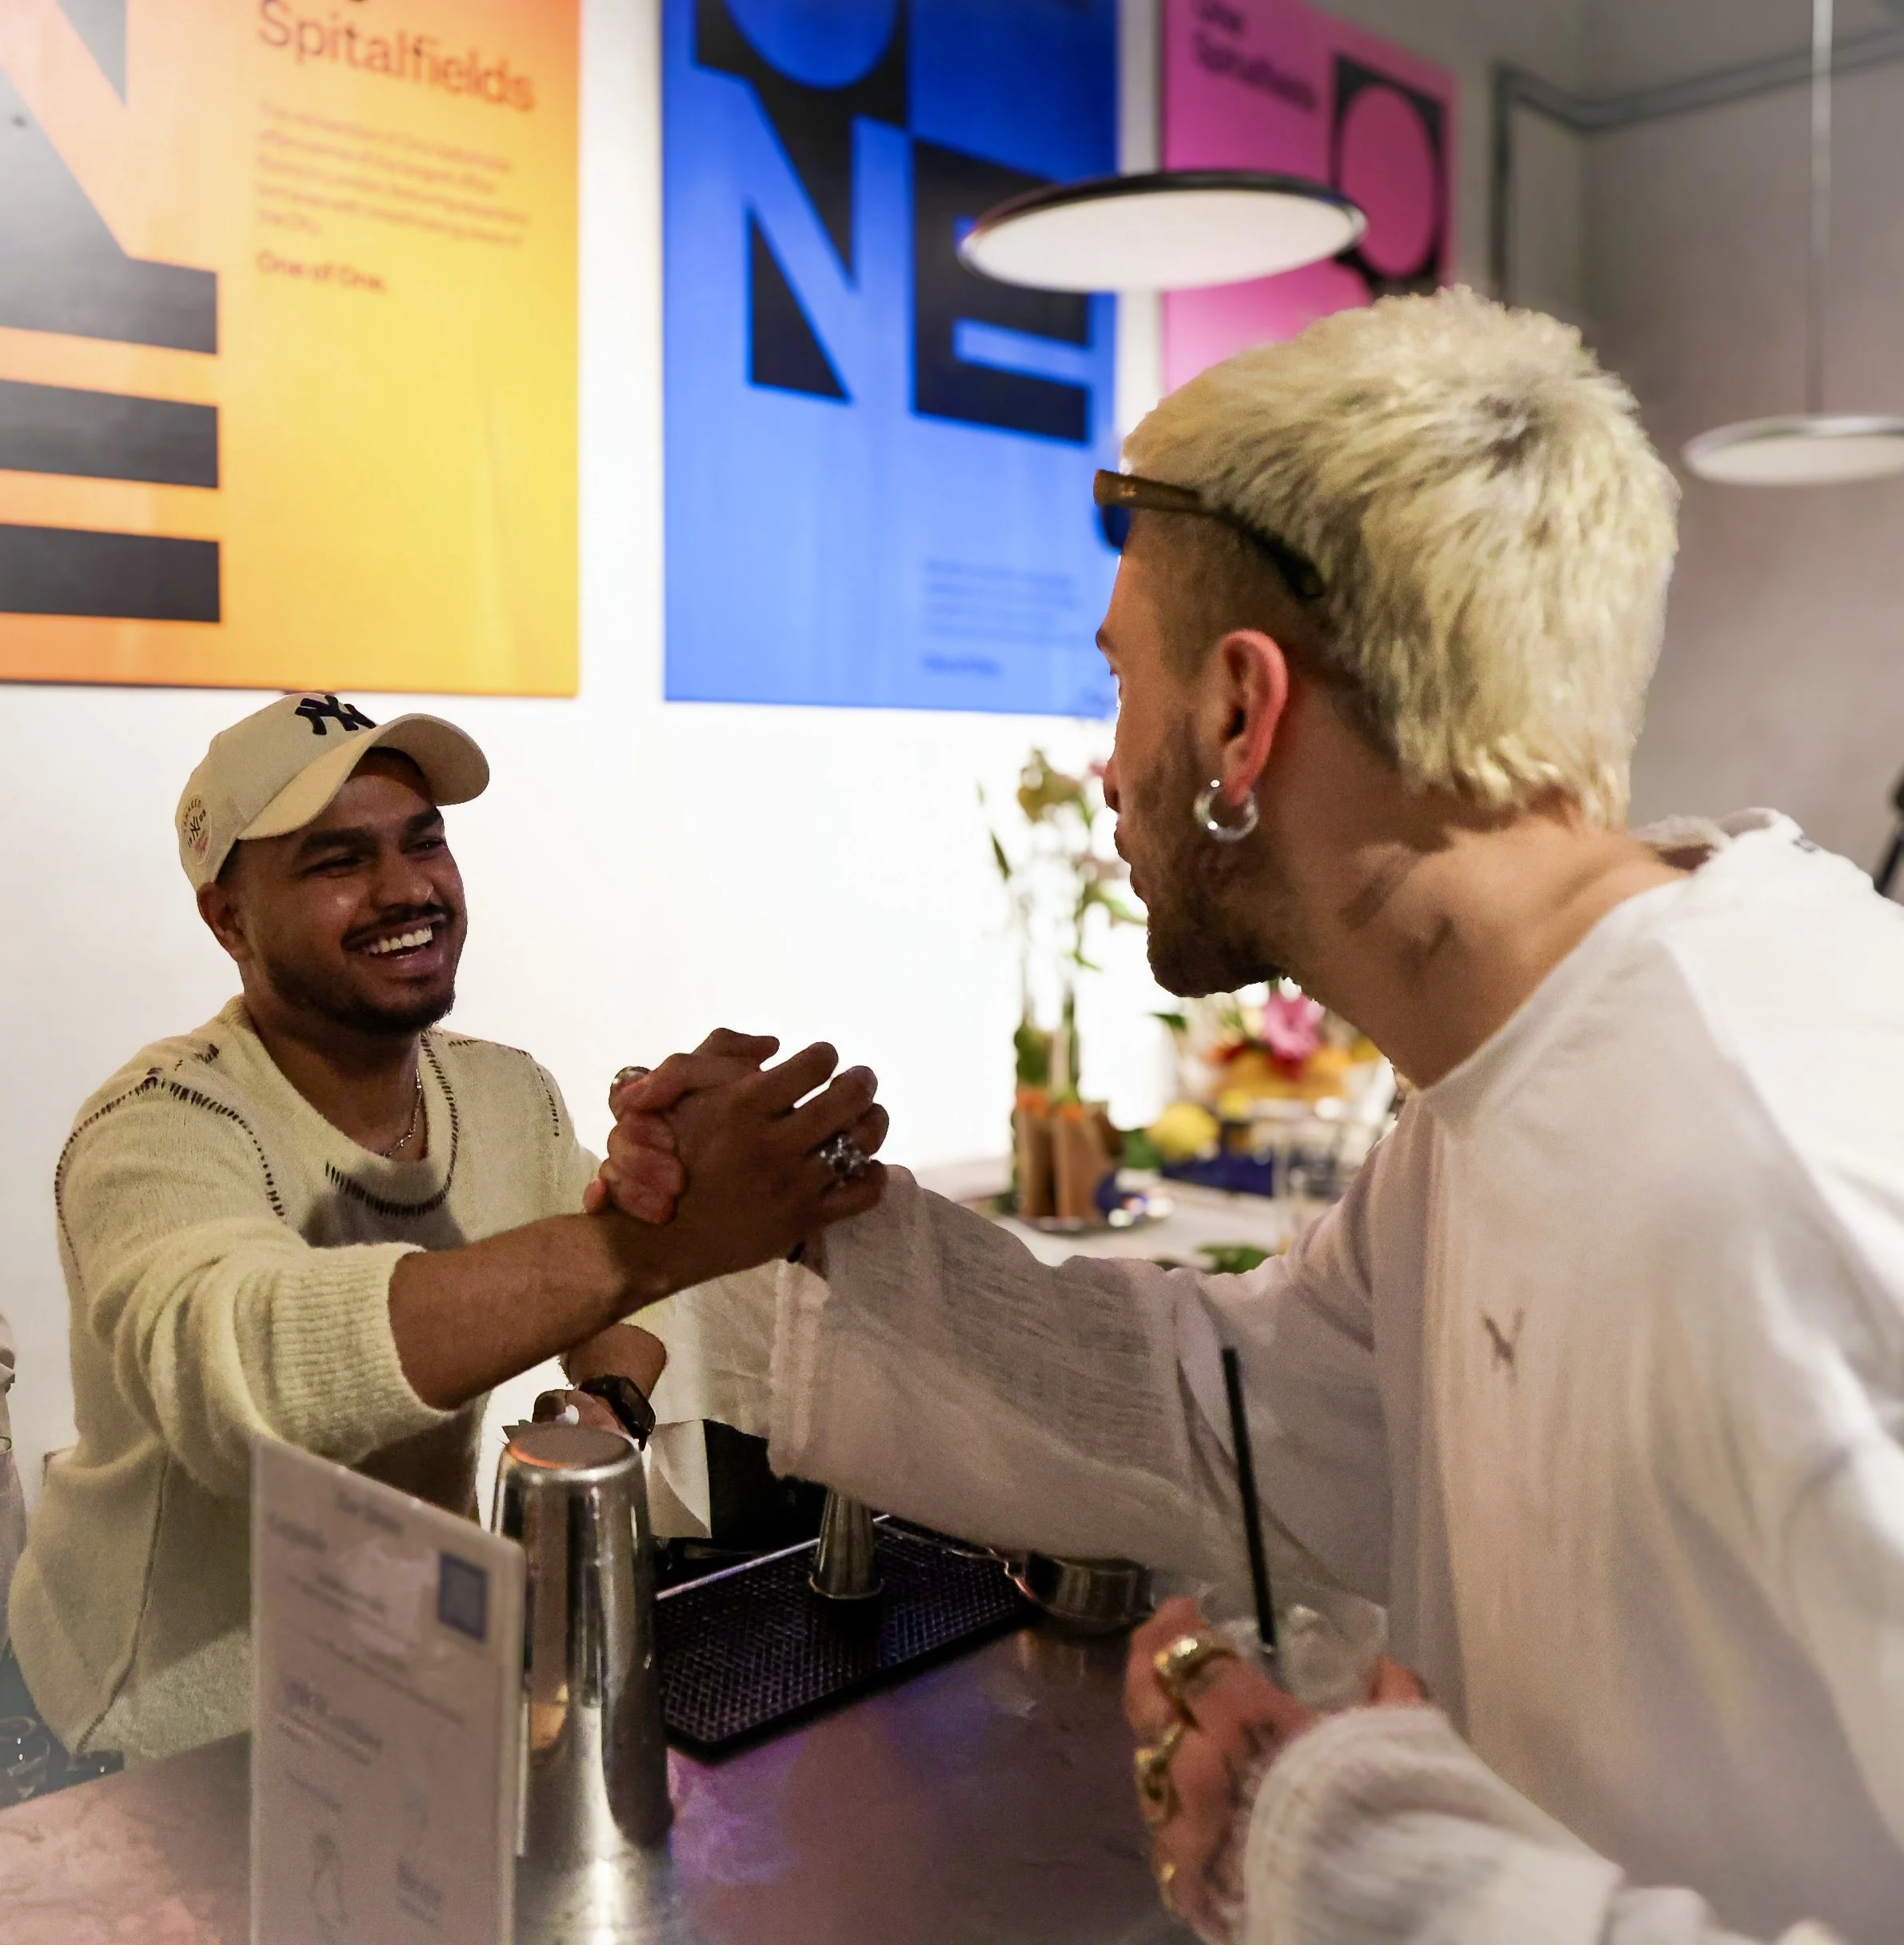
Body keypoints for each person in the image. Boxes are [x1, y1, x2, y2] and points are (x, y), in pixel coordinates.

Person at [594, 290, 1904, 1943]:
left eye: (1120, 684)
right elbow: (1243, 1415)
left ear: (1236, 714)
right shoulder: (1499, 1091)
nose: (1107, 765)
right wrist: (805, 1224)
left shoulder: (1794, 1153)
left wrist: (1376, 1874)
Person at [6, 694, 886, 1763]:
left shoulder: (503, 1094)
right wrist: (662, 1240)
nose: (406, 889)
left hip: (405, 1682)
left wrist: (609, 1400)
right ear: (229, 920)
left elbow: (617, 1284)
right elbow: (241, 1379)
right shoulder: (157, 1126)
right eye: (339, 861)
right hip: (160, 1738)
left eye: (424, 843)